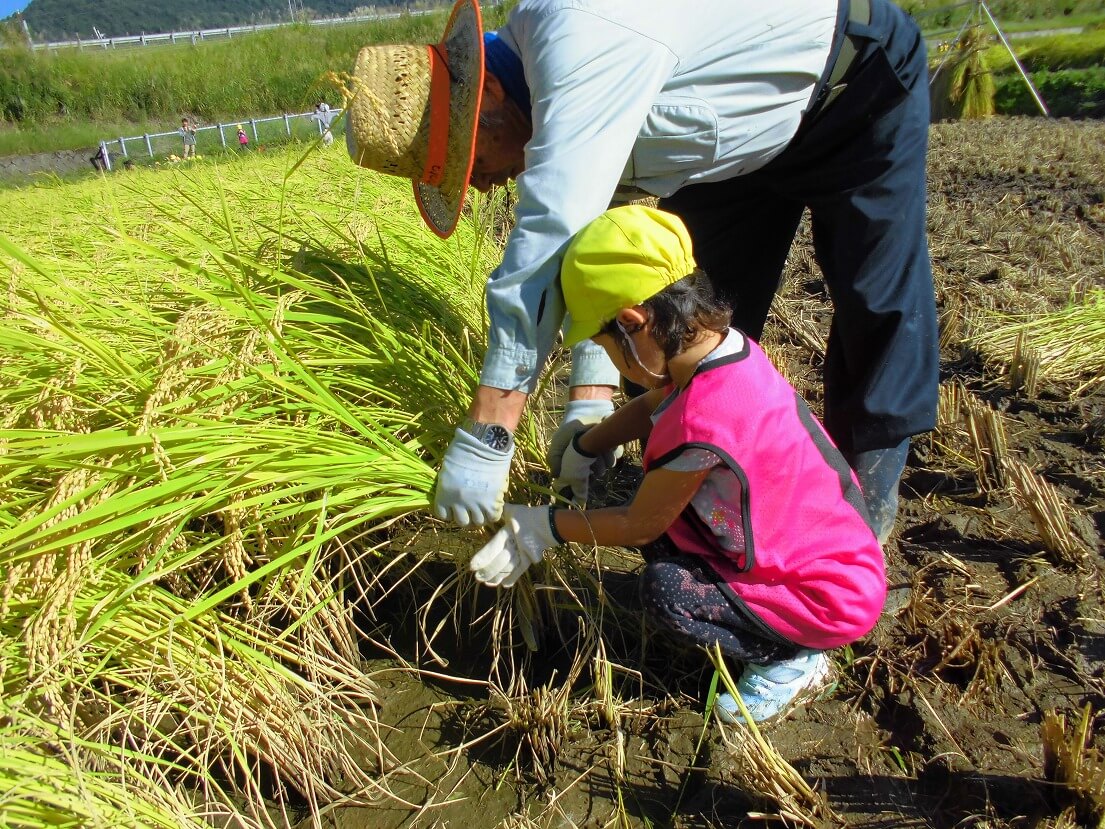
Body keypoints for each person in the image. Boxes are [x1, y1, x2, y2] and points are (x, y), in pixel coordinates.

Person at [343, 0, 938, 548]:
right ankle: (711, 502)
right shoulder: (553, 98)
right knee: (679, 334)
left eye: (470, 164)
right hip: (735, 151)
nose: (477, 186)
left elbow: (549, 238)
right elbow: (599, 253)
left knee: (877, 303)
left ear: (492, 92)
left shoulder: (580, 38)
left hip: (854, 91)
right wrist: (590, 406)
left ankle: (857, 523)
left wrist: (489, 433)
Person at [469, 205, 886, 722]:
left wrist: (544, 527)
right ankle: (770, 621)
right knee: (663, 518)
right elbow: (652, 405)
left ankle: (794, 659)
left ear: (632, 322)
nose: (610, 358)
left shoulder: (707, 419)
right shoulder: (724, 352)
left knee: (665, 591)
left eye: (604, 344)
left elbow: (638, 524)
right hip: (825, 551)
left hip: (826, 597)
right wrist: (587, 445)